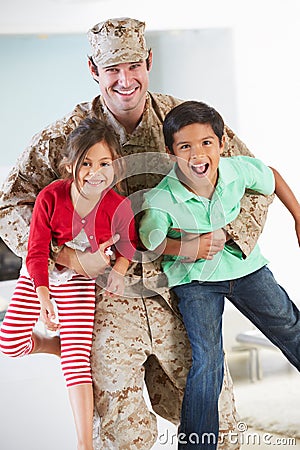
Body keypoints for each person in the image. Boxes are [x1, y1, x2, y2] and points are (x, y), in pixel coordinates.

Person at [0, 17, 275, 449]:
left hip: (180, 300)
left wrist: (222, 240)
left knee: (215, 428)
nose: (124, 80)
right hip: (106, 312)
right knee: (121, 438)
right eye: (112, 70)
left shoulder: (186, 123)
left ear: (149, 61)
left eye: (133, 66)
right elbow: (10, 205)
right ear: (93, 70)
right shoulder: (64, 138)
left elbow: (254, 180)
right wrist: (65, 257)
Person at [139, 100, 300, 449]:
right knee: (208, 359)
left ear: (222, 143)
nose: (198, 154)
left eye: (206, 143)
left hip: (246, 267)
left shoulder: (236, 171)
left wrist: (298, 216)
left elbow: (271, 176)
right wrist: (187, 248)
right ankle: (198, 445)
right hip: (195, 282)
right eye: (185, 146)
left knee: (290, 327)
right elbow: (149, 240)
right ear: (170, 153)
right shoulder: (162, 197)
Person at [0, 117, 137, 450]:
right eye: (86, 163)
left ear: (116, 166)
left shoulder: (117, 205)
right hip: (42, 272)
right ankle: (58, 346)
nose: (95, 172)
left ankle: (83, 443)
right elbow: (35, 251)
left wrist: (118, 270)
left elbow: (129, 244)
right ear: (68, 165)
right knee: (9, 342)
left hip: (80, 282)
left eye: (104, 163)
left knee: (77, 364)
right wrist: (43, 295)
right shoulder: (51, 196)